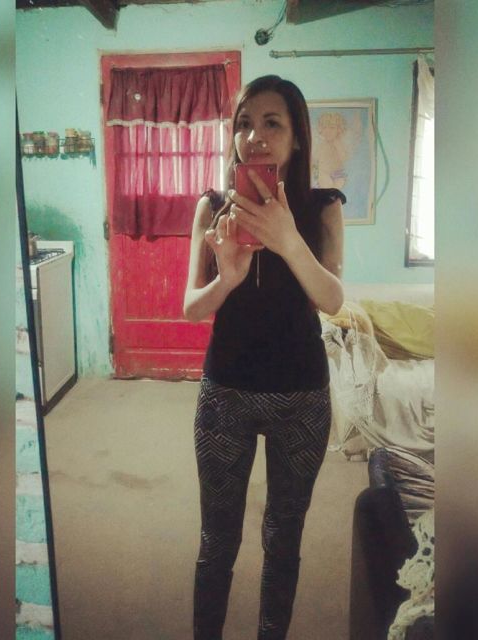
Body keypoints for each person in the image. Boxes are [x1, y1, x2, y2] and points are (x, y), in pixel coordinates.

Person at [183, 74, 345, 640]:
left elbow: (332, 300)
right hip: (224, 393)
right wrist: (227, 278)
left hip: (302, 399)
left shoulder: (322, 208)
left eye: (272, 123)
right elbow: (191, 308)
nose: (254, 136)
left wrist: (287, 239)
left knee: (283, 538)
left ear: (297, 138)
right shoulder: (211, 207)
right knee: (217, 539)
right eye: (244, 124)